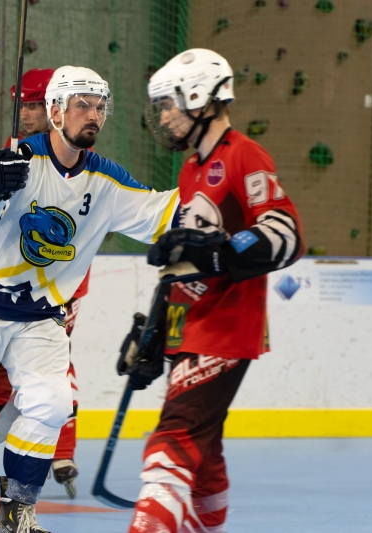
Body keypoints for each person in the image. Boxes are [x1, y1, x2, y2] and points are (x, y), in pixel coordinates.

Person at [0, 65, 180, 533]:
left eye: (100, 106)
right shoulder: (17, 161)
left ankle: (16, 514)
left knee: (52, 402)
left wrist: (213, 180)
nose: (93, 114)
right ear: (55, 111)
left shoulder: (107, 181)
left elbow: (164, 214)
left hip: (40, 311)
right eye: (82, 104)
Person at [127, 49, 304, 533]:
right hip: (191, 326)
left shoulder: (245, 155)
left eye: (168, 104)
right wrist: (155, 333)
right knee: (204, 448)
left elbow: (286, 233)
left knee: (175, 437)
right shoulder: (190, 169)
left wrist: (222, 252)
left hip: (226, 325)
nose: (164, 117)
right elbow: (186, 264)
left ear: (199, 96)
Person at [0, 67, 87, 498]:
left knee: (51, 362)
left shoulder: (72, 157)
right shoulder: (11, 154)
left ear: (54, 107)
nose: (25, 113)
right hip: (4, 280)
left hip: (55, 280)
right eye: (20, 104)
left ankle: (60, 451)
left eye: (34, 104)